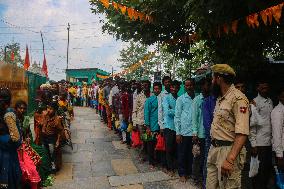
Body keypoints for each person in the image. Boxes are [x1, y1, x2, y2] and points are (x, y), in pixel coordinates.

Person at [207, 64, 249, 188]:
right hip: (215, 149)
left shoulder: (238, 99)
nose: (212, 81)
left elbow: (242, 133)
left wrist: (230, 159)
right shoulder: (221, 98)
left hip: (229, 151)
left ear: (219, 78)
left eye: (213, 78)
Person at [249, 80, 273, 189]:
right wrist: (253, 145)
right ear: (257, 89)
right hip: (259, 143)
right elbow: (252, 126)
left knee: (267, 170)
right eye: (262, 88)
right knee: (258, 171)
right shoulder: (254, 102)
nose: (265, 90)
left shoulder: (270, 101)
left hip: (269, 142)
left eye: (266, 88)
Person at [15, 100, 41, 189]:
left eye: (23, 108)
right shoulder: (12, 119)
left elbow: (28, 133)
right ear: (16, 109)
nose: (22, 110)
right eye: (20, 108)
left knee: (36, 158)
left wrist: (28, 138)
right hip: (16, 146)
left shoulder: (26, 119)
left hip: (25, 144)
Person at [0, 88, 22, 189]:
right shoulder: (8, 113)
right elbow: (17, 138)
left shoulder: (7, 114)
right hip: (8, 154)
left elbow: (15, 138)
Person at [174, 78, 195, 182]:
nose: (189, 87)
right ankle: (182, 173)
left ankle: (189, 172)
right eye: (187, 85)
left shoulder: (198, 98)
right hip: (184, 131)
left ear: (193, 85)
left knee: (192, 153)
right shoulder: (181, 99)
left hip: (195, 132)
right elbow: (177, 116)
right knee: (182, 153)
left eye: (190, 85)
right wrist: (178, 133)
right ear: (184, 87)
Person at [192, 78, 210, 184]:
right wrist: (195, 133)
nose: (209, 87)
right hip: (199, 134)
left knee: (206, 158)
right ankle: (195, 177)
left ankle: (205, 178)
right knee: (198, 157)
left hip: (209, 134)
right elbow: (194, 117)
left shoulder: (212, 98)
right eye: (207, 85)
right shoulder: (197, 100)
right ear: (203, 87)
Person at [163, 80, 181, 176]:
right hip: (169, 126)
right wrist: (178, 112)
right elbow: (167, 112)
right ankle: (169, 168)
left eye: (176, 87)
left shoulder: (179, 98)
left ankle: (174, 166)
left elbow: (173, 111)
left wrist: (173, 110)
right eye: (172, 87)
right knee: (169, 148)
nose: (174, 89)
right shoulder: (166, 98)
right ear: (170, 88)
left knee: (175, 148)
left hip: (178, 127)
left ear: (179, 88)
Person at [41, 102, 64, 173]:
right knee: (45, 152)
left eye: (51, 109)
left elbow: (60, 131)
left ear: (54, 110)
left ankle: (53, 166)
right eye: (48, 108)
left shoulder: (57, 120)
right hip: (44, 137)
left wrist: (57, 141)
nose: (48, 110)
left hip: (51, 138)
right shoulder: (45, 116)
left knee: (52, 153)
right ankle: (46, 166)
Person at [202, 78, 216, 188]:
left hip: (225, 139)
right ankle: (206, 184)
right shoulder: (207, 101)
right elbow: (207, 124)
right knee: (209, 161)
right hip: (212, 138)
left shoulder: (223, 100)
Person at [144, 82, 162, 167]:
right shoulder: (149, 100)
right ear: (153, 89)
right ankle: (151, 161)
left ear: (161, 89)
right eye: (155, 89)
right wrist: (147, 127)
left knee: (160, 143)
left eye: (158, 88)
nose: (156, 90)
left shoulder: (163, 99)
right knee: (151, 144)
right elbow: (146, 113)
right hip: (152, 126)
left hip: (161, 126)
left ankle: (159, 160)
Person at [132, 80, 151, 161]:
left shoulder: (153, 95)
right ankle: (142, 155)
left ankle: (150, 155)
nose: (144, 87)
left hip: (151, 122)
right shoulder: (139, 96)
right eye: (143, 85)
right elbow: (134, 110)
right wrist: (134, 122)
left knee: (150, 140)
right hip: (141, 121)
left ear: (149, 86)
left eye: (146, 85)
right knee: (143, 139)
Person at [271, 87, 284, 171]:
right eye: (283, 96)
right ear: (279, 97)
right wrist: (279, 155)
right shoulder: (277, 111)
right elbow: (276, 134)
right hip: (282, 151)